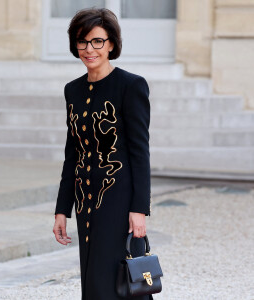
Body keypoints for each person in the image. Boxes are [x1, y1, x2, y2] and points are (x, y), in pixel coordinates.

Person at [53, 7, 152, 300]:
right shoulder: (72, 90)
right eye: (82, 42)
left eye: (97, 41)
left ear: (111, 44)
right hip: (85, 201)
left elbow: (140, 153)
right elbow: (73, 153)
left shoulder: (130, 86)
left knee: (116, 281)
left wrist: (139, 209)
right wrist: (62, 208)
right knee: (92, 279)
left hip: (118, 201)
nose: (89, 49)